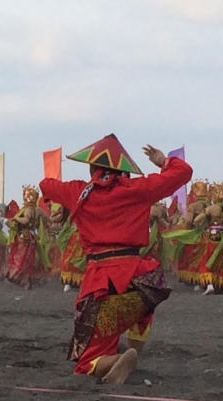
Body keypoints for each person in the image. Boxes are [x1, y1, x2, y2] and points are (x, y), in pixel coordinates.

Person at [39, 134, 192, 384]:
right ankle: (133, 358)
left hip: (102, 281)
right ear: (123, 169)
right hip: (141, 278)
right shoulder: (138, 189)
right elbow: (183, 172)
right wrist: (163, 160)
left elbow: (46, 184)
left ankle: (115, 361)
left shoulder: (78, 191)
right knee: (142, 310)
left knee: (87, 362)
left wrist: (70, 204)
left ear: (92, 168)